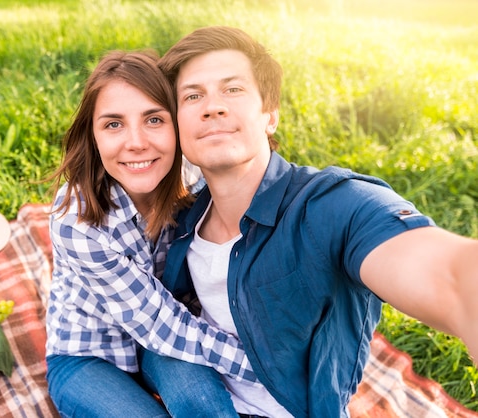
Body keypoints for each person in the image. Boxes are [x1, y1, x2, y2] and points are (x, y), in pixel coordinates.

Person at [141, 26, 478, 418]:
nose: (212, 106)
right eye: (193, 96)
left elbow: (452, 275)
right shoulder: (183, 215)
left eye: (233, 90)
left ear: (270, 115)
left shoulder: (329, 206)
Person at [44, 50, 261, 418]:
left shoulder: (194, 178)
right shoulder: (77, 219)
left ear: (178, 123)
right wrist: (258, 368)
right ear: (93, 136)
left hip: (162, 339)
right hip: (89, 353)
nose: (136, 143)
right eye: (114, 125)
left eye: (154, 120)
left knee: (205, 406)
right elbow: (159, 324)